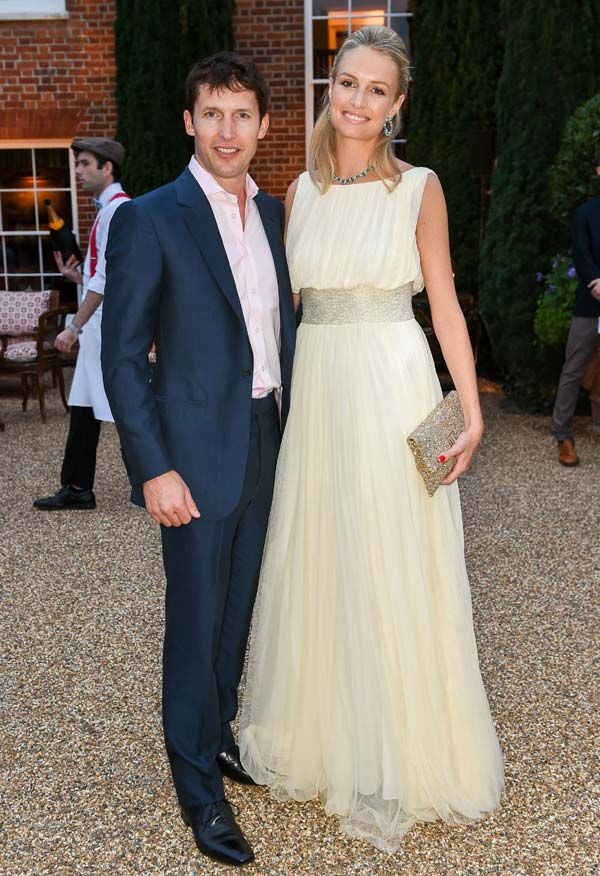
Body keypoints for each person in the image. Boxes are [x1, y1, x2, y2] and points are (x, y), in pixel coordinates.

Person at [239, 26, 504, 853]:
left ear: (397, 105)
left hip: (394, 383)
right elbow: (272, 312)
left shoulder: (419, 187)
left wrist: (470, 403)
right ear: (331, 87)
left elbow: (446, 303)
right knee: (322, 552)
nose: (356, 101)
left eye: (375, 90)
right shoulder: (298, 191)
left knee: (397, 552)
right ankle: (324, 736)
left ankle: (408, 747)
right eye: (346, 83)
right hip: (319, 389)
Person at [101, 53, 296, 867]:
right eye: (212, 113)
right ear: (189, 122)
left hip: (268, 438)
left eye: (242, 115)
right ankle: (198, 795)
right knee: (193, 623)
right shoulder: (150, 218)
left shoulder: (277, 215)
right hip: (191, 457)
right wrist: (153, 468)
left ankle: (216, 736)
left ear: (261, 126)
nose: (228, 130)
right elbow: (121, 359)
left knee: (237, 611)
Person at [33, 137, 129, 510]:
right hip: (98, 330)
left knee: (127, 409)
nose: (78, 171)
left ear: (107, 168)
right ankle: (76, 488)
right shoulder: (107, 211)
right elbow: (101, 277)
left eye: (86, 163)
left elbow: (107, 280)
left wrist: (73, 326)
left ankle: (153, 479)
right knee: (86, 407)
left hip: (106, 331)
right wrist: (76, 278)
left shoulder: (118, 211)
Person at [552, 155, 600, 466]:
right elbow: (581, 254)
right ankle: (562, 434)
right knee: (574, 368)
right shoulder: (585, 213)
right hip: (590, 301)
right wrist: (596, 282)